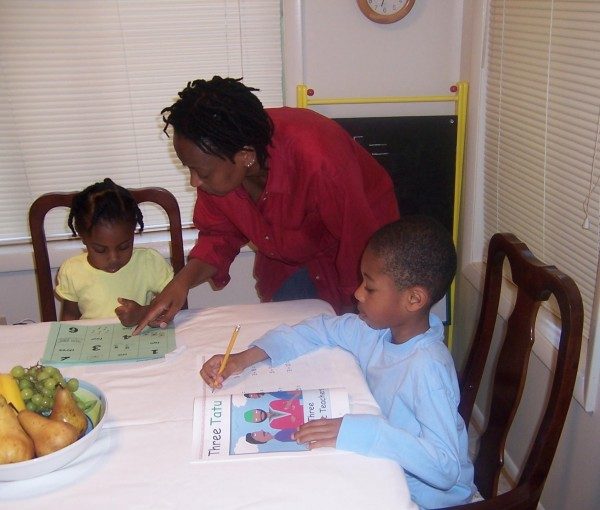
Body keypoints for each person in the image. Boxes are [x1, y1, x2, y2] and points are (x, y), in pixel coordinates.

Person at [200, 216, 474, 509]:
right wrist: (244, 358)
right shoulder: (374, 331)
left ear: (413, 299)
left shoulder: (427, 368)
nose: (357, 293)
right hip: (389, 469)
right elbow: (321, 328)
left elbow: (445, 469)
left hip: (429, 499)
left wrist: (366, 432)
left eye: (370, 287)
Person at [132, 76, 399, 334]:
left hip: (362, 255)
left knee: (352, 341)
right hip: (290, 260)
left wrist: (354, 318)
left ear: (246, 156)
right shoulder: (220, 166)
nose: (194, 182)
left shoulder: (319, 161)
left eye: (201, 172)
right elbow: (218, 237)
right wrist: (180, 284)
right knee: (289, 340)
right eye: (189, 169)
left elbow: (359, 245)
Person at [55, 178, 174, 326]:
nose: (113, 258)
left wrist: (143, 312)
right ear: (83, 238)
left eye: (124, 247)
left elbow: (174, 303)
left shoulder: (149, 262)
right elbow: (69, 317)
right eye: (100, 250)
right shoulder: (72, 270)